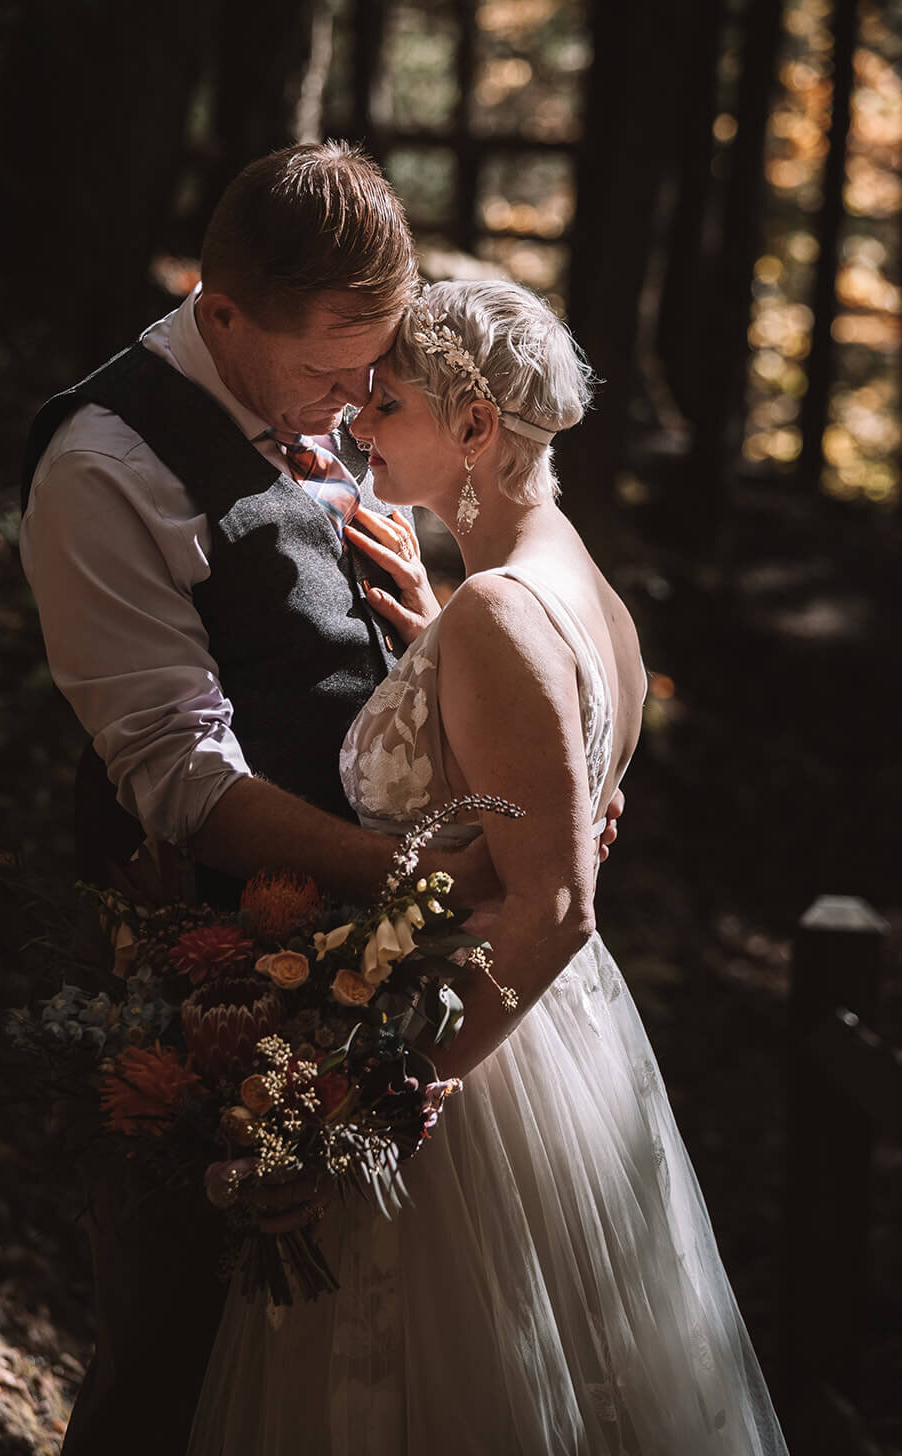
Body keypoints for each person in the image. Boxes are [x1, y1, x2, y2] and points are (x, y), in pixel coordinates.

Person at [20, 140, 625, 1454]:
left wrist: (484, 717)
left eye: (378, 374)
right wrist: (424, 875)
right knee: (176, 1361)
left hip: (391, 986)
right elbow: (177, 770)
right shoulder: (104, 467)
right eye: (330, 372)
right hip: (215, 972)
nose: (358, 409)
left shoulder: (341, 407)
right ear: (221, 311)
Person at [187, 280, 789, 1455]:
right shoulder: (587, 598)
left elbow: (555, 904)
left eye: (391, 403)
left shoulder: (501, 615)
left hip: (469, 1054)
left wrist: (369, 1100)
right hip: (562, 1045)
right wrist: (433, 647)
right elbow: (519, 787)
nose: (361, 427)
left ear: (474, 428)